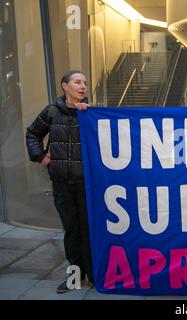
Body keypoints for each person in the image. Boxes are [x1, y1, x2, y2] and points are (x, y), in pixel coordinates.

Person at [25, 70, 93, 294]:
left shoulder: (92, 113)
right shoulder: (52, 112)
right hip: (62, 183)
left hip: (88, 185)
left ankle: (93, 275)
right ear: (65, 86)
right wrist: (42, 157)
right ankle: (75, 277)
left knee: (89, 229)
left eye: (84, 83)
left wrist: (90, 114)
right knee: (72, 230)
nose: (83, 86)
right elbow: (32, 134)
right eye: (77, 82)